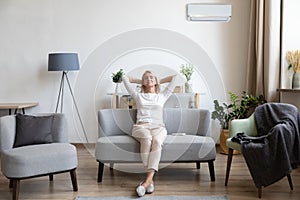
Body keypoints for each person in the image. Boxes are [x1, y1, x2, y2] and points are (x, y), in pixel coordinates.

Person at [122, 70, 178, 197]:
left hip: (159, 127)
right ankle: (149, 181)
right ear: (143, 82)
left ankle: (147, 182)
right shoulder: (138, 95)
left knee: (157, 142)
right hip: (141, 127)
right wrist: (140, 81)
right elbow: (125, 78)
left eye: (152, 77)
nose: (149, 79)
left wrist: (157, 80)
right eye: (146, 78)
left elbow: (175, 77)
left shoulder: (162, 96)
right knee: (147, 139)